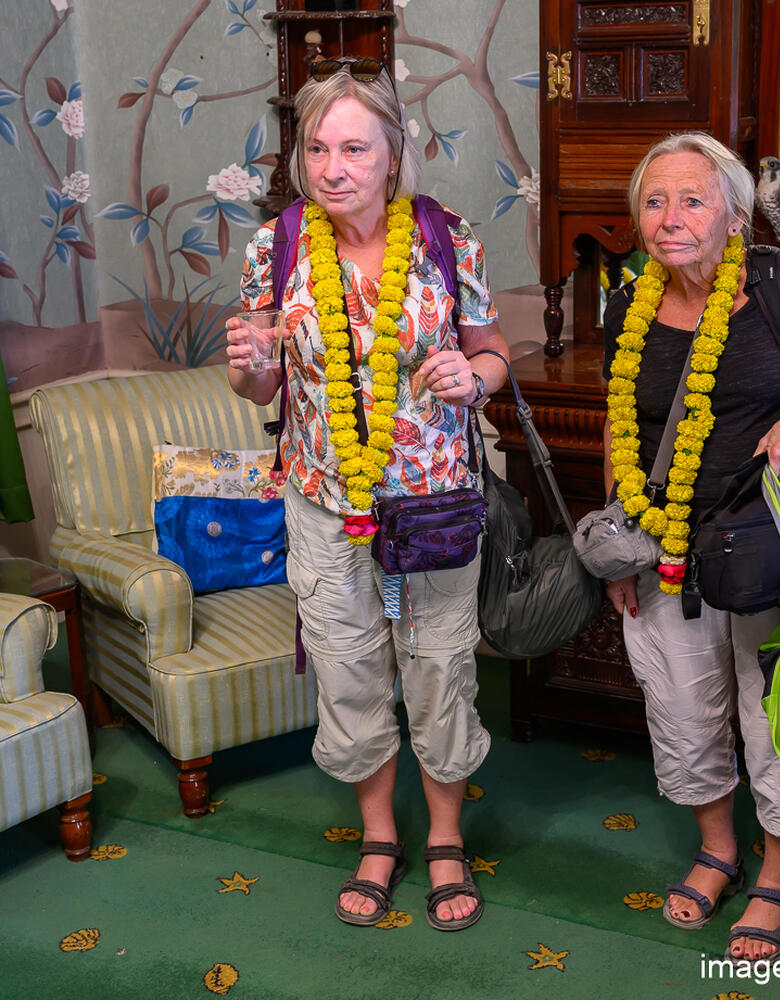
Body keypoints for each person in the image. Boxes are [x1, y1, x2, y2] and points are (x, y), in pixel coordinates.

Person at [225, 57, 510, 932]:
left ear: (394, 153)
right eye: (317, 148)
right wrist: (250, 368)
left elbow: (494, 353)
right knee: (348, 675)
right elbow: (262, 385)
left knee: (439, 671)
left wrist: (475, 377)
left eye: (354, 148)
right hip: (323, 504)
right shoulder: (276, 247)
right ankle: (381, 835)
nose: (333, 167)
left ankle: (447, 838)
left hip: (433, 507)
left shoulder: (447, 239)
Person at [602, 132, 780, 962]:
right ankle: (719, 849)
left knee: (777, 714)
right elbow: (624, 429)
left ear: (734, 217)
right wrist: (621, 538)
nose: (670, 217)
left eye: (692, 200)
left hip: (773, 548)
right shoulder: (629, 306)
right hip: (667, 550)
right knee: (682, 709)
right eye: (654, 201)